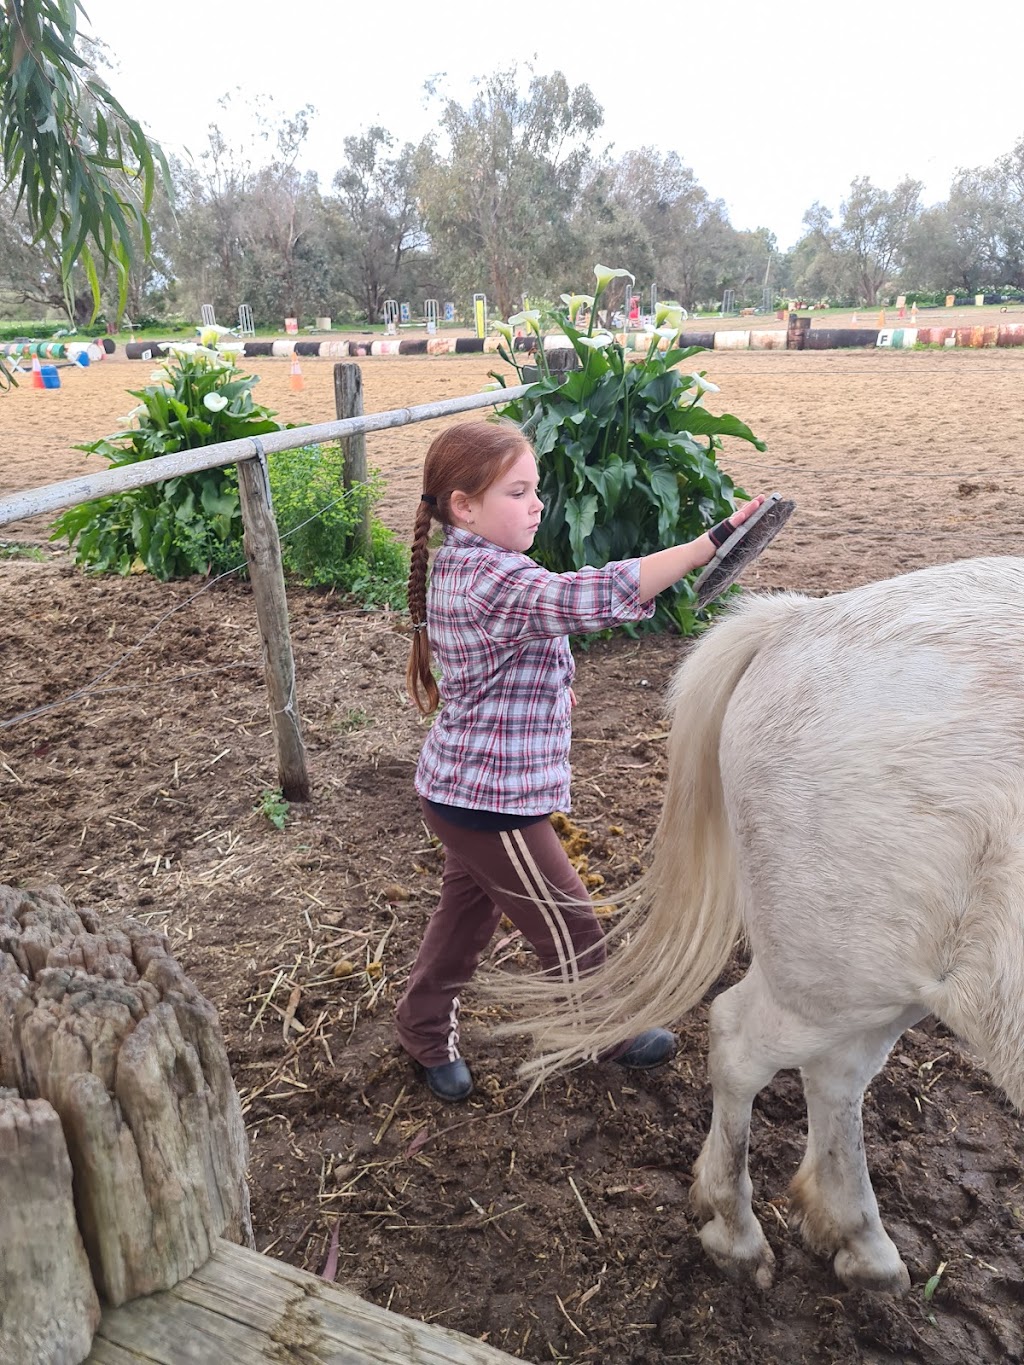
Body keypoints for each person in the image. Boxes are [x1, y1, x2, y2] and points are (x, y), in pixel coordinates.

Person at [398, 418, 766, 1101]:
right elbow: (579, 597)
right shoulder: (487, 576)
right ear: (463, 506)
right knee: (569, 920)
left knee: (465, 917)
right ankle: (605, 1028)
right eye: (518, 491)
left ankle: (420, 1024)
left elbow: (540, 619)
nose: (537, 504)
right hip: (489, 803)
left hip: (471, 789)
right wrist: (704, 545)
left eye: (535, 489)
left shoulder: (473, 561)